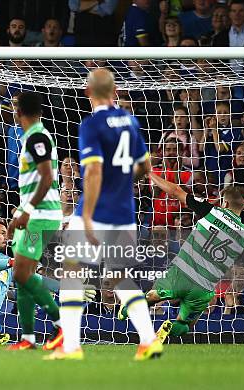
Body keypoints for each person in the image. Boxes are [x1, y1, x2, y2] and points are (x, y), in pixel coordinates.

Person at [46, 68, 158, 361]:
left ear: (88, 92)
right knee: (120, 275)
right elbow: (145, 167)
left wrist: (87, 216)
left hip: (97, 211)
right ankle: (148, 339)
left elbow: (93, 172)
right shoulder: (131, 122)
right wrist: (120, 181)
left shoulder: (92, 125)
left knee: (72, 273)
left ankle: (71, 347)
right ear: (115, 91)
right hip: (125, 213)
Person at [129, 174, 244, 342]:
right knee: (188, 323)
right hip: (204, 286)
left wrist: (150, 173)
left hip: (182, 272)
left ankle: (134, 305)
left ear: (225, 203)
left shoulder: (211, 210)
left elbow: (175, 191)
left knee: (158, 294)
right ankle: (173, 326)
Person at [5, 92, 63, 351]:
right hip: (33, 214)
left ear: (19, 112)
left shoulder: (38, 136)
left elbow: (47, 176)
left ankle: (62, 323)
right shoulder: (33, 136)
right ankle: (28, 338)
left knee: (21, 272)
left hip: (40, 216)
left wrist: (26, 210)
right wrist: (20, 213)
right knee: (22, 275)